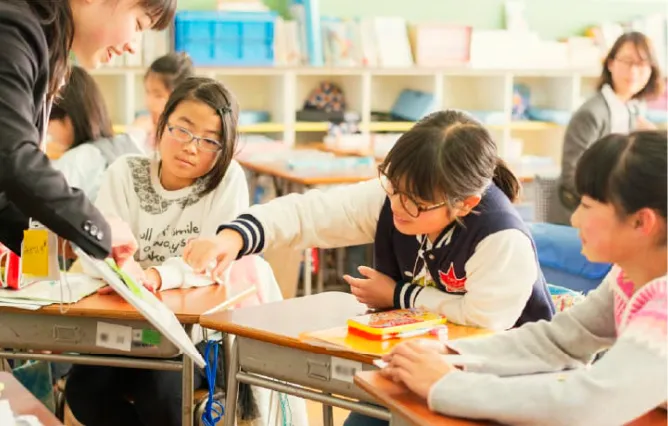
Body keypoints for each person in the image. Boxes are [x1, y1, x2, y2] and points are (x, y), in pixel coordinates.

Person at [380, 130, 667, 426]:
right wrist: (450, 351)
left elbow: (590, 403)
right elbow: (562, 339)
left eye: (588, 206)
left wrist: (446, 384)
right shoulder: (629, 274)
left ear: (641, 222)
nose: (575, 219)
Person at [65, 76, 304, 426]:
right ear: (162, 125)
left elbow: (214, 262)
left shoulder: (226, 181)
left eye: (209, 141)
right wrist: (119, 271)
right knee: (84, 391)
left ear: (224, 149)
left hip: (196, 337)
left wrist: (156, 275)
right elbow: (100, 242)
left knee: (159, 390)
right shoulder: (124, 173)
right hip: (128, 325)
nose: (191, 147)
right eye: (182, 130)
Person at [0, 0, 175, 263]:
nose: (133, 46)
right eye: (138, 24)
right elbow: (11, 156)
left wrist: (71, 240)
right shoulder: (13, 30)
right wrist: (97, 226)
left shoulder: (42, 43)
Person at [556, 31, 663, 224]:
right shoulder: (592, 114)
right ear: (611, 63)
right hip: (585, 212)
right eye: (627, 61)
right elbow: (571, 177)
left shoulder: (634, 109)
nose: (633, 72)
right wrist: (611, 205)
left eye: (641, 64)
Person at [47, 66, 143, 201]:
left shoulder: (76, 160)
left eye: (49, 123)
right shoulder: (128, 142)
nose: (48, 132)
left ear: (67, 119)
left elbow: (47, 201)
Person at [131, 52, 195, 154]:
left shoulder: (187, 142)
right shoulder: (145, 134)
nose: (148, 103)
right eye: (147, 92)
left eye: (158, 96)